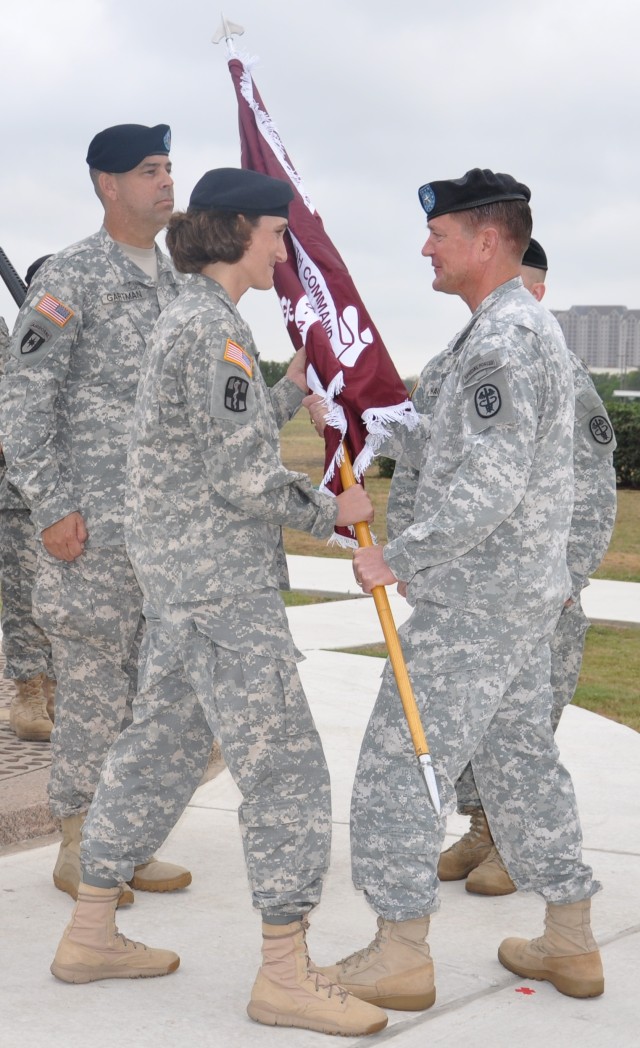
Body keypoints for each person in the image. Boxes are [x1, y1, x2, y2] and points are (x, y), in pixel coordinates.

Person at [49, 167, 387, 1038]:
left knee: (157, 749)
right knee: (287, 771)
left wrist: (286, 389)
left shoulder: (197, 322)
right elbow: (239, 473)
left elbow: (208, 436)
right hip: (218, 590)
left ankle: (89, 932)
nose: (284, 249)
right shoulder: (212, 330)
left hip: (182, 584)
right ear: (237, 231)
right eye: (276, 233)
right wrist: (334, 513)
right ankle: (284, 972)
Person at [315, 169, 604, 1007]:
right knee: (519, 765)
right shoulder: (508, 331)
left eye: (438, 235)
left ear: (486, 240)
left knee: (401, 758)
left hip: (476, 602)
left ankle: (400, 950)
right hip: (514, 600)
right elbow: (446, 434)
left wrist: (398, 554)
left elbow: (490, 484)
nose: (425, 248)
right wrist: (360, 422)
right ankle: (570, 938)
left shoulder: (505, 341)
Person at [0, 124, 190, 901]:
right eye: (150, 170)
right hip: (88, 533)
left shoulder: (176, 285)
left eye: (171, 168)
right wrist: (50, 504)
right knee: (91, 690)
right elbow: (23, 402)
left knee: (150, 692)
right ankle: (80, 845)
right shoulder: (70, 278)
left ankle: (127, 838)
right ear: (108, 185)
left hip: (163, 535)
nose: (167, 182)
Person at [438, 238, 617, 895]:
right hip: (470, 590)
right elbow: (431, 453)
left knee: (524, 727)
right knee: (474, 719)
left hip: (539, 589)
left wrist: (569, 576)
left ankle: (517, 846)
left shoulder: (560, 371)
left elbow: (594, 483)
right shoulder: (456, 362)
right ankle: (484, 829)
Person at [1, 263, 57, 740]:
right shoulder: (16, 340)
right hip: (20, 495)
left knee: (70, 600)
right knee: (24, 599)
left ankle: (62, 689)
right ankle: (28, 693)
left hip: (75, 492)